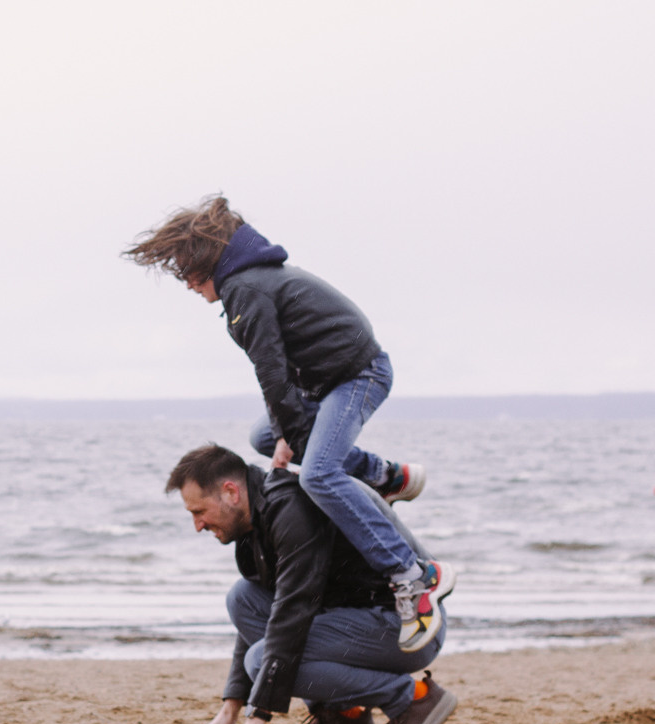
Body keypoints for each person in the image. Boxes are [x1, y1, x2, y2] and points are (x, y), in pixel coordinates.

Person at [126, 196, 454, 653]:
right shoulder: (249, 282)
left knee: (319, 474)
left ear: (206, 260)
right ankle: (385, 476)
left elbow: (271, 370)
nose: (185, 283)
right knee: (261, 436)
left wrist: (289, 435)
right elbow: (277, 374)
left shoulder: (246, 289)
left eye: (185, 270)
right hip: (325, 383)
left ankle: (414, 577)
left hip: (357, 376)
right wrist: (280, 433)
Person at [165, 443, 456, 724]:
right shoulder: (253, 529)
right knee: (243, 598)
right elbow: (275, 613)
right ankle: (344, 716)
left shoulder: (293, 509)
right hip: (354, 619)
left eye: (198, 511)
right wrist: (231, 707)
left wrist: (258, 714)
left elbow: (293, 611)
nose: (197, 526)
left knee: (260, 660)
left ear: (231, 492)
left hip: (407, 625)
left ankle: (413, 697)